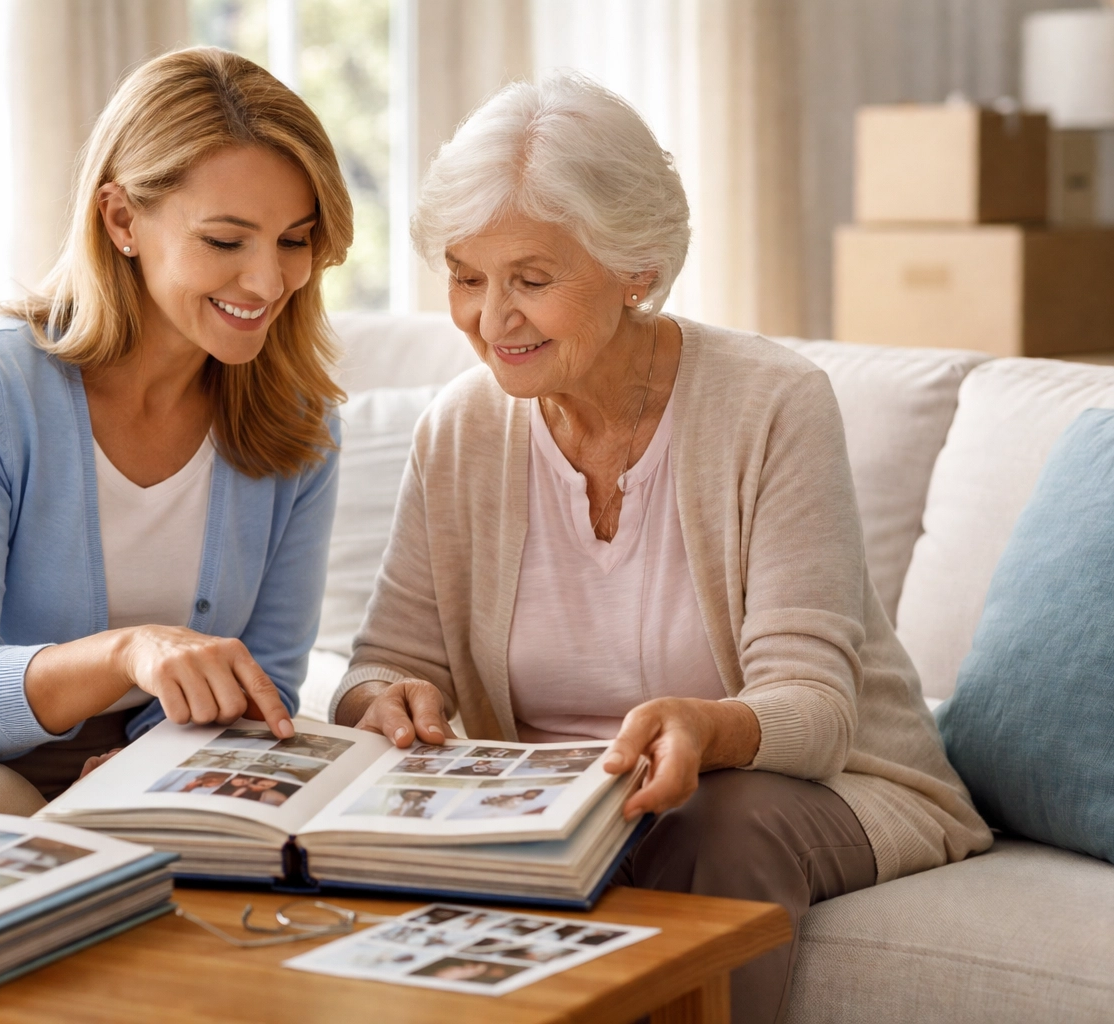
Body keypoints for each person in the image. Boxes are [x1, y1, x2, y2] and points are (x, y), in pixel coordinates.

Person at [330, 74, 991, 1024]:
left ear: (634, 268)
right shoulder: (459, 431)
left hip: (814, 789)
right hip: (559, 813)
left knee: (710, 817)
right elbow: (382, 663)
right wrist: (385, 699)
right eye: (467, 277)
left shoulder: (772, 404)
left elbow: (814, 707)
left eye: (532, 278)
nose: (490, 318)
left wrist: (706, 727)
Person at [0, 47, 352, 817]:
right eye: (225, 241)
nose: (268, 281)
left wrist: (141, 767)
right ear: (121, 220)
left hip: (107, 769)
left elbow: (264, 684)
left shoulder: (299, 424)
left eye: (294, 240)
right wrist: (127, 653)